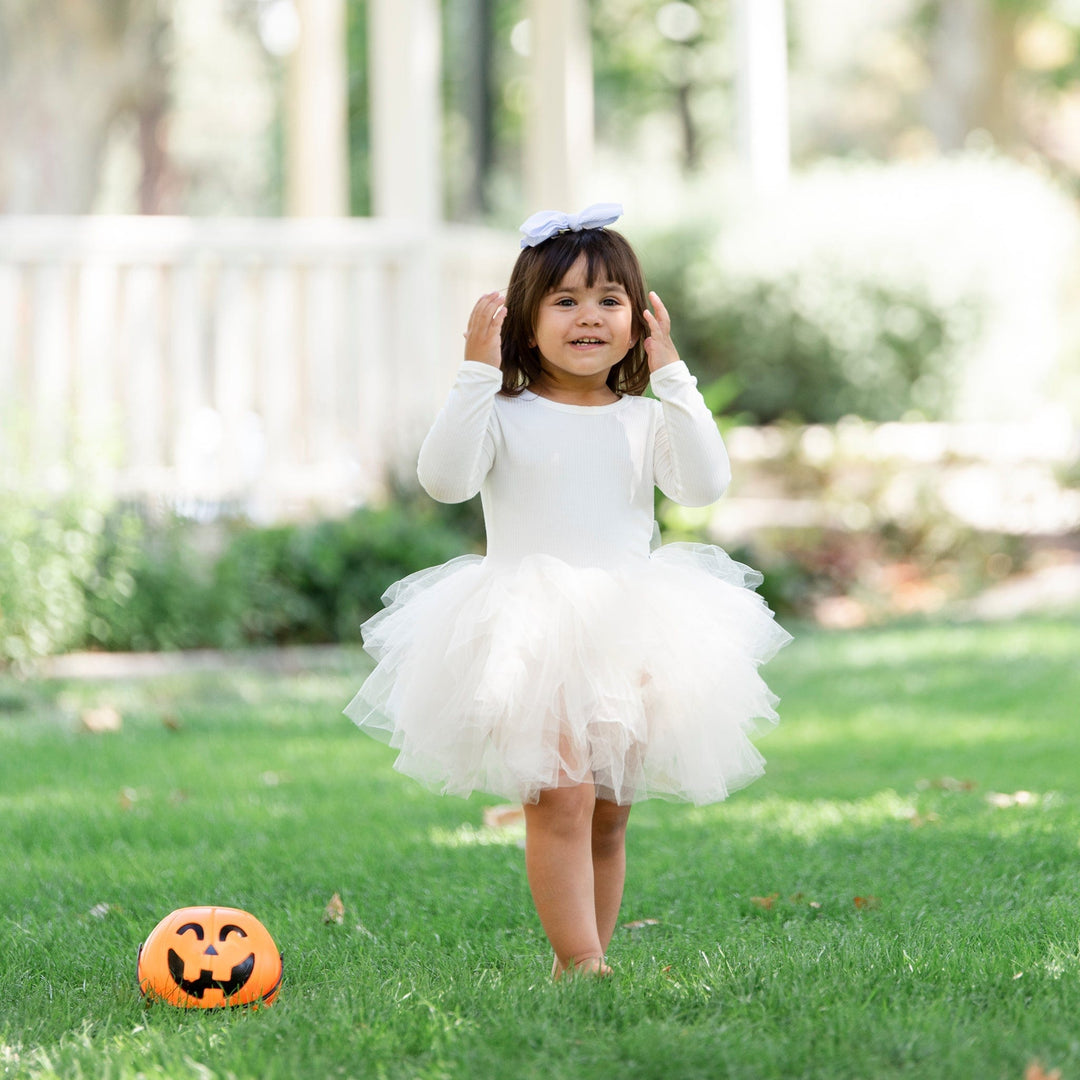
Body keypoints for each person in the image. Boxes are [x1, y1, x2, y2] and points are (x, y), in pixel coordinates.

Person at [345, 203, 791, 979]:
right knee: (561, 797)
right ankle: (581, 958)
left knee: (610, 810)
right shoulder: (503, 413)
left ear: (638, 321)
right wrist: (476, 374)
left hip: (629, 626)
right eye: (565, 300)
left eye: (610, 300)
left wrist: (674, 375)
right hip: (530, 628)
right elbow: (444, 480)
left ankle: (583, 962)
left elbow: (704, 483)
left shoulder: (644, 419)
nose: (589, 316)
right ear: (525, 320)